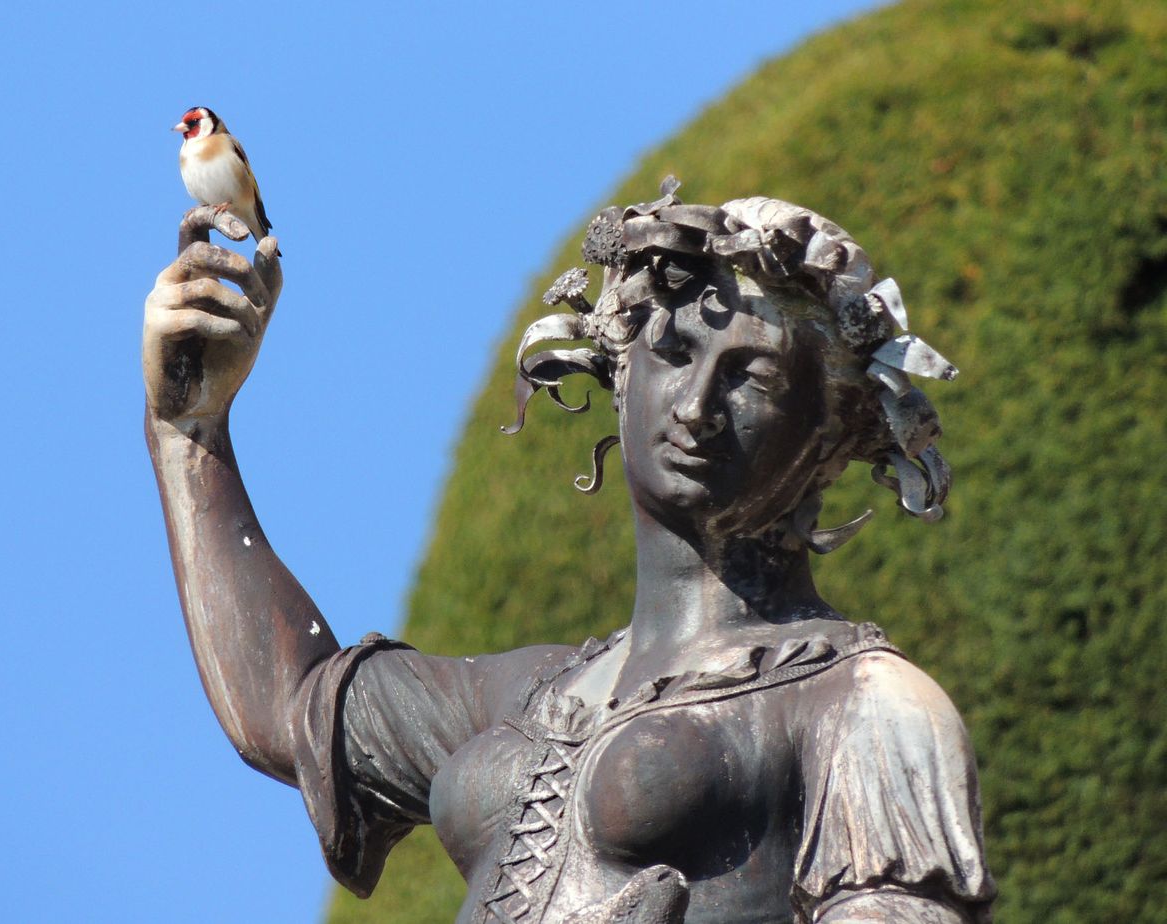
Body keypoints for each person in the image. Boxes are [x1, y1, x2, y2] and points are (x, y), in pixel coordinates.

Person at [142, 179, 996, 924]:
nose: (697, 404)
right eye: (672, 352)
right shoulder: (524, 696)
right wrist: (190, 433)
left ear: (830, 434)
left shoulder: (867, 705)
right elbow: (285, 708)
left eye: (755, 379)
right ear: (618, 374)